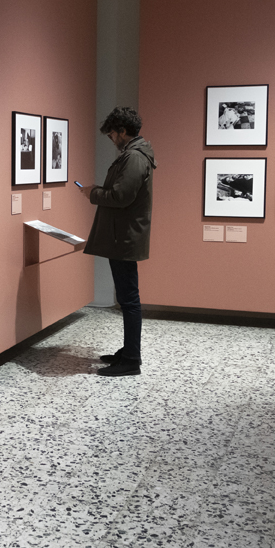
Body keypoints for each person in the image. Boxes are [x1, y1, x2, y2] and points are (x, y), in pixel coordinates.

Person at [79, 106, 156, 377]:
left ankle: (131, 359)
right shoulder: (135, 154)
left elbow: (121, 197)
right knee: (127, 298)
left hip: (124, 237)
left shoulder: (134, 157)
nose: (112, 139)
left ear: (123, 130)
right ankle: (127, 352)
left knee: (129, 300)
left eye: (112, 134)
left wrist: (92, 193)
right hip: (123, 235)